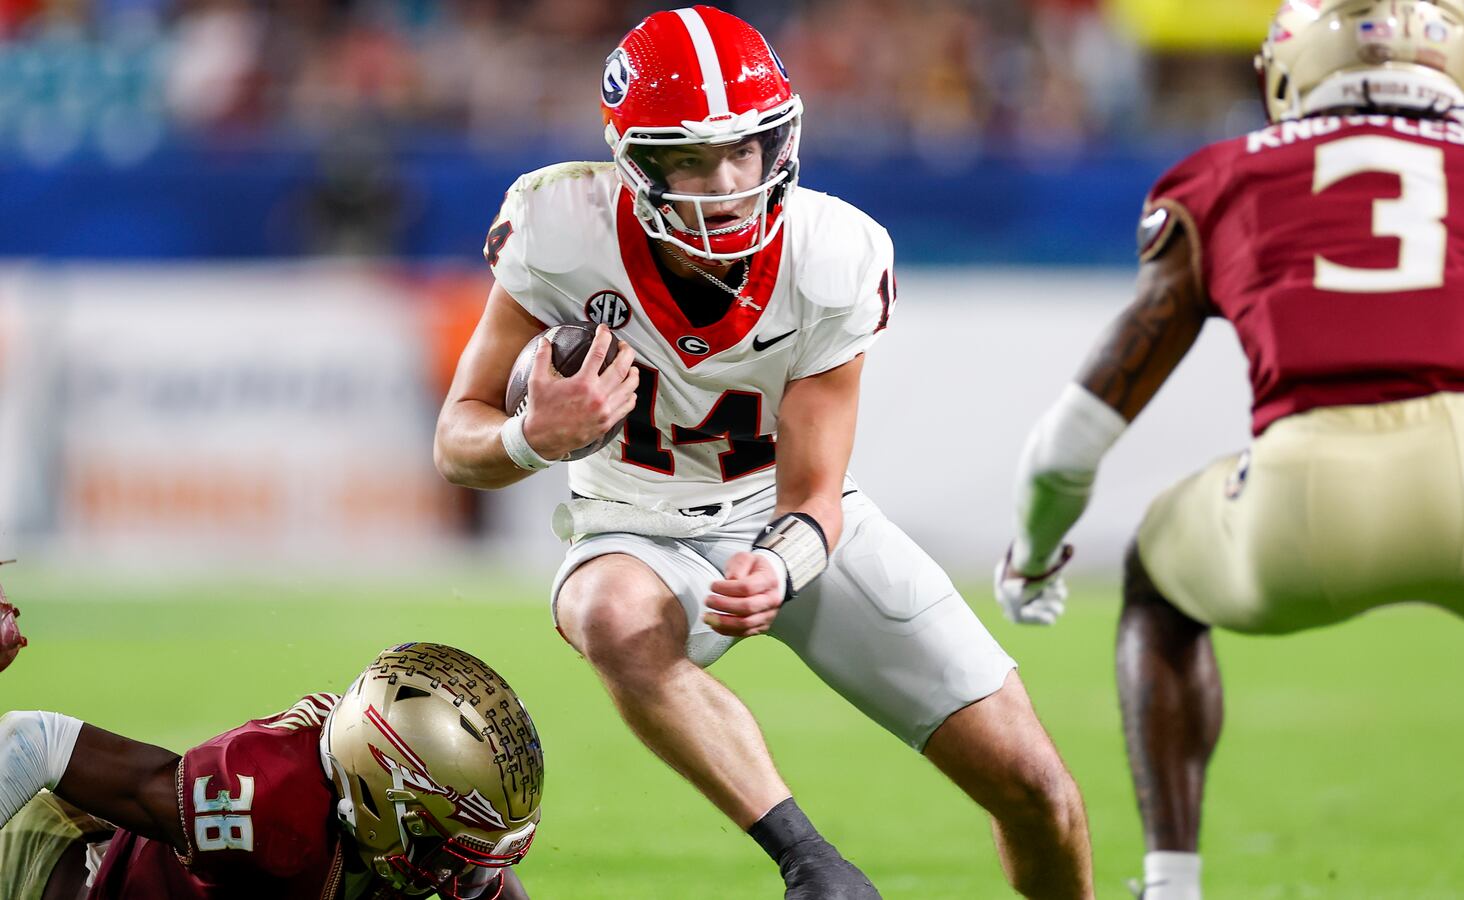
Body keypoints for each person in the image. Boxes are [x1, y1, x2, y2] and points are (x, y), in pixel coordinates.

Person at [434, 6, 1093, 898]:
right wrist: (529, 437)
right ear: (636, 160)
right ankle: (810, 862)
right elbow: (457, 438)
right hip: (634, 525)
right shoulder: (560, 229)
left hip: (787, 521)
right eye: (692, 158)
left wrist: (781, 565)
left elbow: (817, 494)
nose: (728, 180)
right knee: (609, 614)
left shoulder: (832, 252)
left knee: (1038, 792)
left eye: (745, 148)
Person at [995, 1, 1464, 897]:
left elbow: (1072, 439)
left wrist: (1034, 555)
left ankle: (1171, 883)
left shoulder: (1225, 174)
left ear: (1291, 70)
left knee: (1159, 581)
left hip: (1300, 498)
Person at [0, 641, 544, 900]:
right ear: (376, 803)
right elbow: (31, 743)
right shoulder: (267, 805)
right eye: (444, 848)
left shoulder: (386, 787)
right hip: (52, 877)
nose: (461, 877)